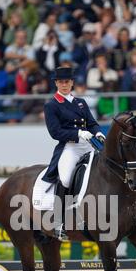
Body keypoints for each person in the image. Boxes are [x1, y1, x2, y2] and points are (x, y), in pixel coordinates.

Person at [43, 66, 105, 240]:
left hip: (87, 144)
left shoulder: (80, 102)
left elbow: (91, 123)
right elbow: (55, 132)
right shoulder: (52, 105)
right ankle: (58, 222)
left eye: (67, 82)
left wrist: (98, 132)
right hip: (69, 146)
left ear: (71, 83)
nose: (64, 85)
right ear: (56, 83)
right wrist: (77, 133)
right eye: (61, 82)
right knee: (65, 177)